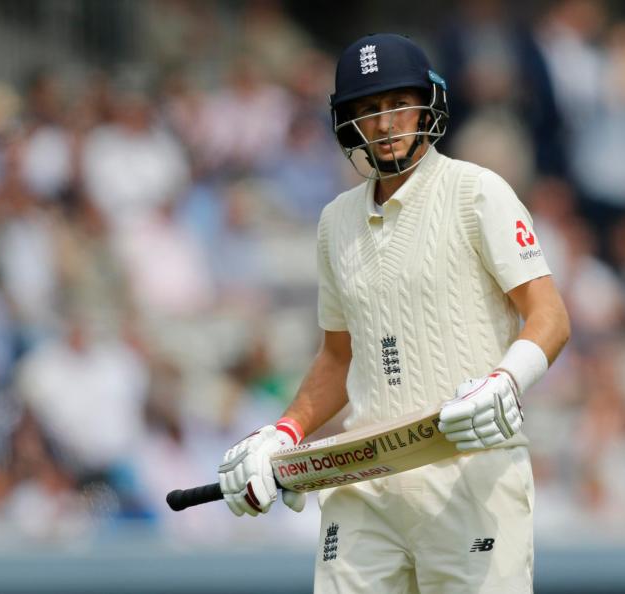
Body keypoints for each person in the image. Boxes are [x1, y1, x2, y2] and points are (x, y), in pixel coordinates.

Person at [218, 33, 570, 593]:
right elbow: (338, 355)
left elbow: (549, 315)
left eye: (397, 104)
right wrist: (282, 433)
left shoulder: (478, 192)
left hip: (470, 473)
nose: (384, 124)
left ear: (427, 103)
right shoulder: (336, 221)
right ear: (347, 122)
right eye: (368, 110)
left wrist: (507, 380)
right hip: (366, 483)